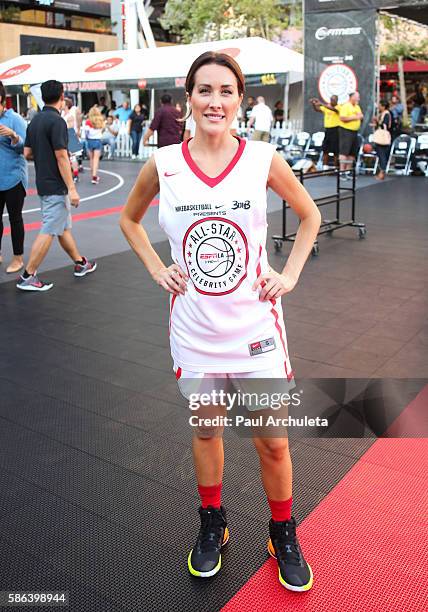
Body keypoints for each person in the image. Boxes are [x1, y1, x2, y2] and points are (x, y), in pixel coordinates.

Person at [120, 51, 321, 592]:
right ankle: (214, 520)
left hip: (255, 329)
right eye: (205, 90)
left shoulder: (261, 158)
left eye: (226, 91)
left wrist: (291, 274)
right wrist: (156, 266)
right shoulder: (163, 164)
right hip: (195, 331)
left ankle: (283, 531)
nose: (216, 101)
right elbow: (129, 219)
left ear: (239, 98)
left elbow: (310, 215)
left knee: (272, 441)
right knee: (207, 431)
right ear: (188, 97)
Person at [19, 80, 96, 291]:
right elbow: (62, 156)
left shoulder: (34, 122)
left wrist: (44, 156)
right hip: (56, 186)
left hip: (43, 182)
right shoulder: (57, 122)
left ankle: (81, 263)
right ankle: (28, 276)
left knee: (62, 228)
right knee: (50, 228)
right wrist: (72, 189)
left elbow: (27, 153)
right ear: (62, 96)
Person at [0, 80, 27, 273]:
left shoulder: (14, 119)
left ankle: (18, 258)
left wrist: (14, 136)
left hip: (13, 178)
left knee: (15, 218)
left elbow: (26, 148)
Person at [310, 95, 340, 167]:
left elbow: (335, 110)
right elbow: (318, 109)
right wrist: (313, 104)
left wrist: (321, 103)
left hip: (336, 130)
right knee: (325, 149)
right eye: (331, 99)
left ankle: (336, 167)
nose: (332, 101)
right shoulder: (327, 107)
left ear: (336, 100)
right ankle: (325, 166)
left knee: (336, 150)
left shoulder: (339, 107)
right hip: (328, 130)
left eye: (333, 100)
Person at [339, 91, 363, 177]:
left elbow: (361, 115)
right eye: (357, 97)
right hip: (346, 131)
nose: (359, 99)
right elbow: (343, 117)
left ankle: (348, 171)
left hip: (354, 131)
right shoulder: (346, 106)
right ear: (352, 97)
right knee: (344, 151)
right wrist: (355, 117)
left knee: (352, 152)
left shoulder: (357, 106)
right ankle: (342, 171)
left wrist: (356, 116)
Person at [372, 99, 392, 181]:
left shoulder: (386, 114)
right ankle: (381, 171)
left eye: (380, 105)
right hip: (381, 136)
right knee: (381, 155)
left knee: (382, 155)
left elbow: (385, 126)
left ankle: (382, 172)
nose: (379, 107)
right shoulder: (383, 113)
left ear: (383, 106)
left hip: (382, 137)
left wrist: (377, 121)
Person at [85, 107, 105, 184]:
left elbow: (86, 132)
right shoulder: (100, 120)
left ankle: (92, 175)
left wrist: (87, 137)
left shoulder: (88, 121)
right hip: (97, 140)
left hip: (90, 140)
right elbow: (102, 130)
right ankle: (94, 176)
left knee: (91, 159)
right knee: (96, 159)